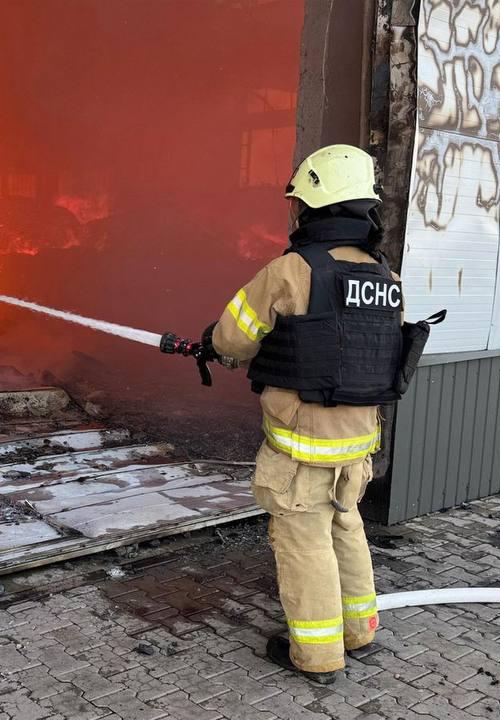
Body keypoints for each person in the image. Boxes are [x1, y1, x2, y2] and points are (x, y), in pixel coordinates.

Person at [202, 144, 403, 684]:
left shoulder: (291, 271)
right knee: (346, 527)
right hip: (358, 444)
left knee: (304, 543)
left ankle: (316, 656)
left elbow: (232, 339)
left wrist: (213, 342)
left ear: (314, 207)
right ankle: (358, 632)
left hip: (302, 447)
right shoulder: (384, 276)